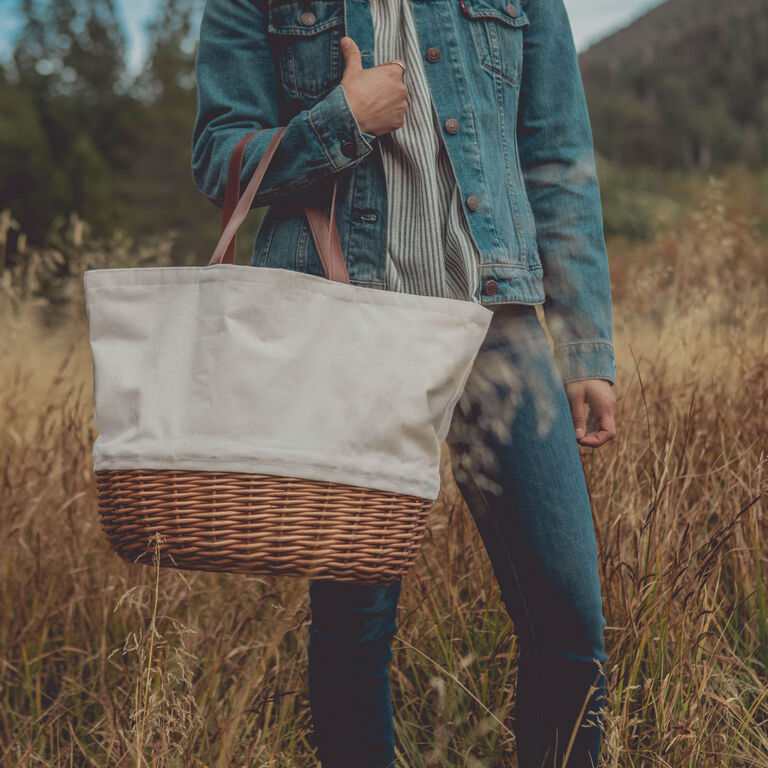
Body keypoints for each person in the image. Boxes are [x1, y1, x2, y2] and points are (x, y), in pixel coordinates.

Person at [192, 0, 618, 766]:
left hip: (498, 324)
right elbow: (218, 154)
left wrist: (585, 342)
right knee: (356, 629)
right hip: (348, 320)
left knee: (569, 623)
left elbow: (555, 154)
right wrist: (341, 120)